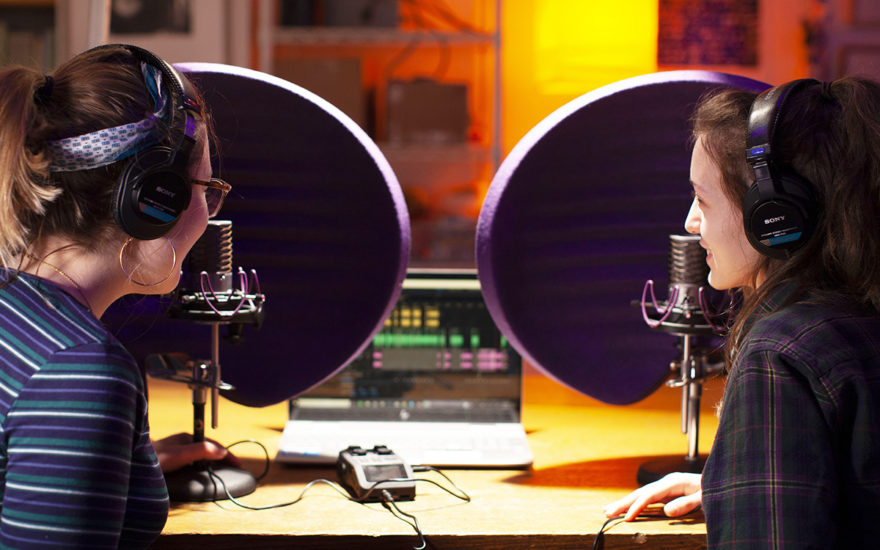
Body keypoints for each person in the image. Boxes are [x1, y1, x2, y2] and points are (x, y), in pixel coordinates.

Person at [604, 77, 880, 547]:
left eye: (703, 198)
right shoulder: (858, 323)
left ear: (775, 214)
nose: (690, 222)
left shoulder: (780, 355)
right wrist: (737, 483)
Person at [0, 44, 236, 547]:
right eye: (207, 188)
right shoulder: (80, 371)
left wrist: (101, 454)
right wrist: (87, 412)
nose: (210, 214)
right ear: (156, 198)